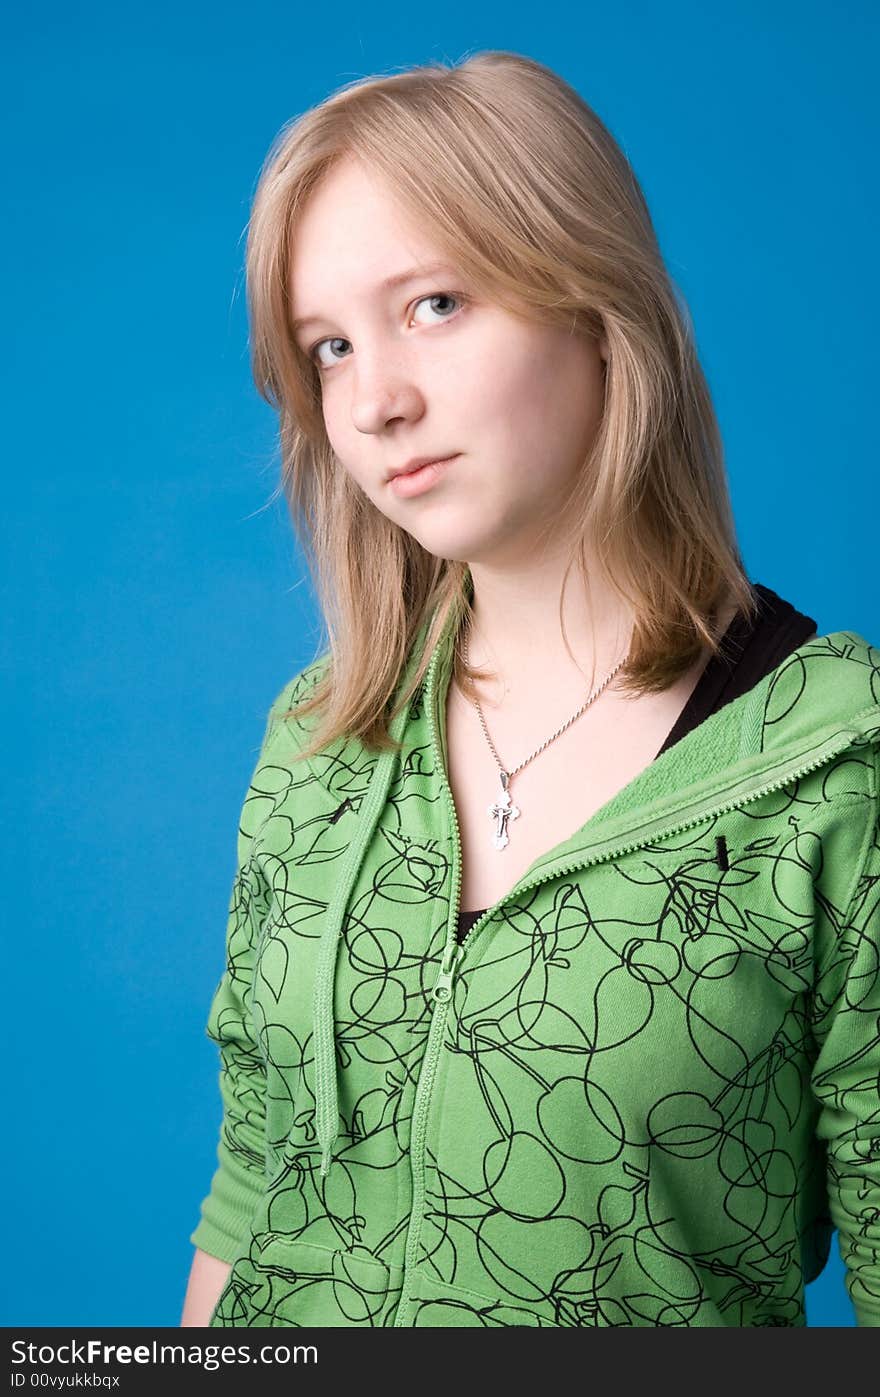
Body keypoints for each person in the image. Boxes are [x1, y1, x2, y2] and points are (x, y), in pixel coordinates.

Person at [181, 51, 880, 1328]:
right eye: (327, 347)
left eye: (434, 303)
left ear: (592, 300)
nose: (376, 400)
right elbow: (249, 1195)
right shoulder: (315, 739)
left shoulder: (838, 775)